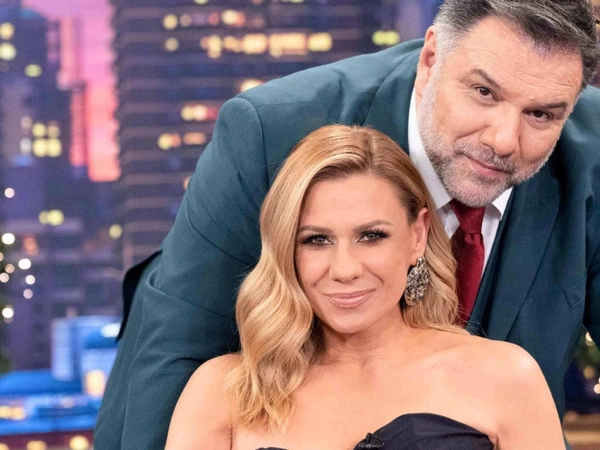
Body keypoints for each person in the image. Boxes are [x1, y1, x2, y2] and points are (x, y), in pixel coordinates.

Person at [94, 1, 600, 449]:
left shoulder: (592, 150)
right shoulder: (269, 132)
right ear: (430, 60)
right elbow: (176, 349)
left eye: (541, 114)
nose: (504, 140)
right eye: (484, 92)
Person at [165, 124, 565, 450]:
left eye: (371, 236)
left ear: (417, 235)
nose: (345, 269)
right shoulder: (225, 392)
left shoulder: (505, 377)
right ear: (287, 249)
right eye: (316, 240)